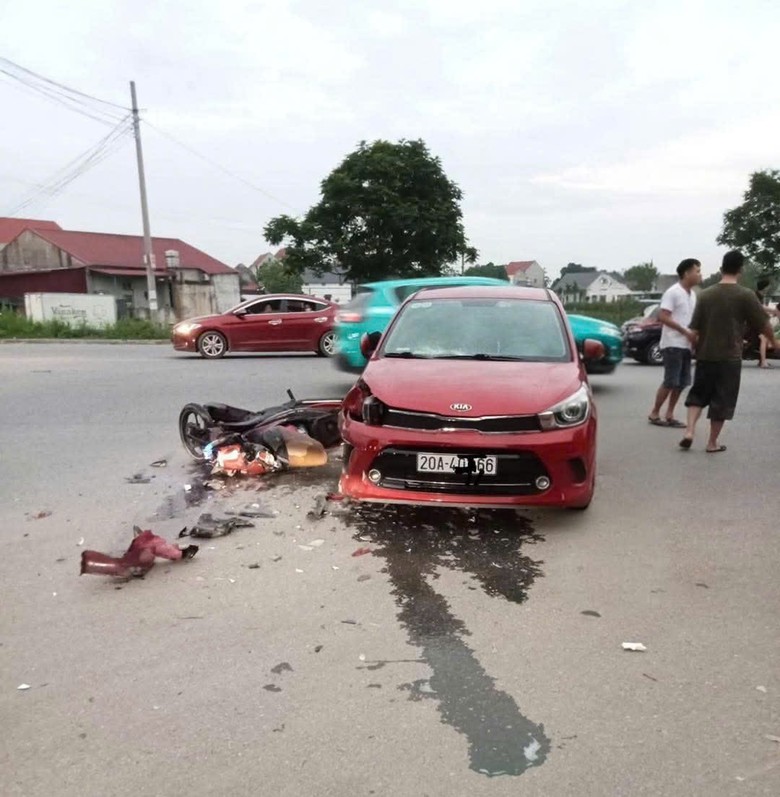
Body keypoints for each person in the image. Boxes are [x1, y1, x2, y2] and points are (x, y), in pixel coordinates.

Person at [679, 250, 780, 453]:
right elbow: (763, 324)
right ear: (741, 270)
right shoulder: (746, 295)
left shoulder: (705, 295)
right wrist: (774, 342)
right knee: (722, 401)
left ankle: (689, 431)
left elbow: (694, 329)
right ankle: (712, 443)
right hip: (730, 357)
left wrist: (694, 345)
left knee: (698, 394)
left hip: (706, 354)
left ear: (721, 268)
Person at [648, 258, 701, 427]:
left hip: (686, 344)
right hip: (673, 343)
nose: (700, 274)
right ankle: (655, 413)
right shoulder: (673, 292)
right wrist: (685, 331)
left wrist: (694, 337)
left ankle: (670, 414)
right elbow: (663, 316)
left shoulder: (692, 295)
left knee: (682, 382)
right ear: (686, 273)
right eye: (697, 271)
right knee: (671, 380)